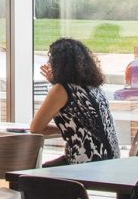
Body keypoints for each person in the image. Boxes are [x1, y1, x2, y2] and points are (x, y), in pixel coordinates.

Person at [30, 37, 120, 166]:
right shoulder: (95, 88)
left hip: (85, 165)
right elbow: (84, 123)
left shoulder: (61, 90)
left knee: (25, 176)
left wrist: (56, 84)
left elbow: (35, 128)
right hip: (110, 161)